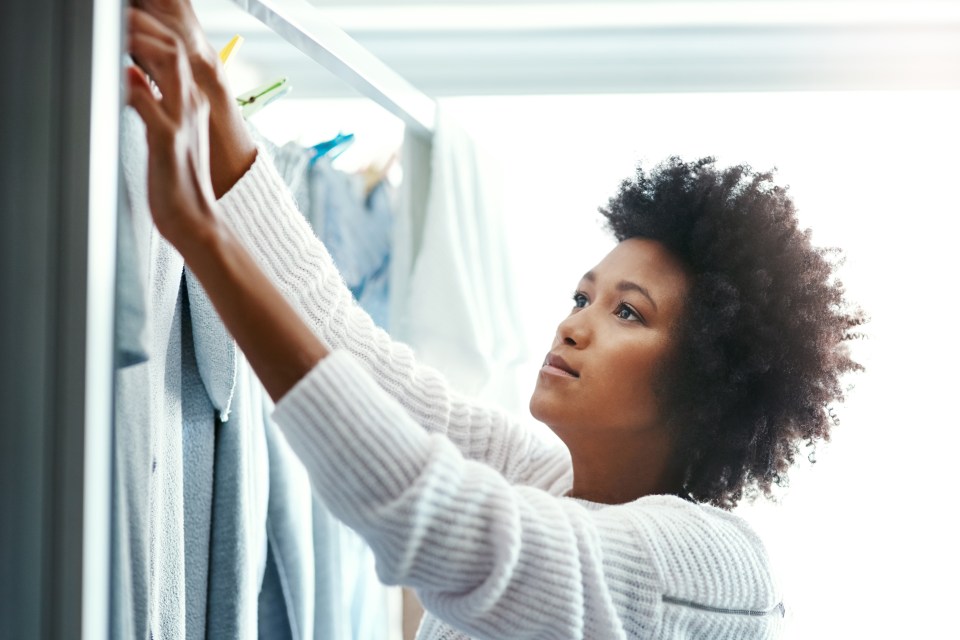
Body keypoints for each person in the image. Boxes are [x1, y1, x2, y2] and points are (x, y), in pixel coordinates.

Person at [125, 2, 864, 638]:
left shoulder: (719, 570)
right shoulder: (547, 477)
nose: (573, 326)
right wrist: (207, 91)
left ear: (706, 378)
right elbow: (353, 353)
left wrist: (203, 238)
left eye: (628, 313)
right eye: (582, 297)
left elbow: (437, 521)